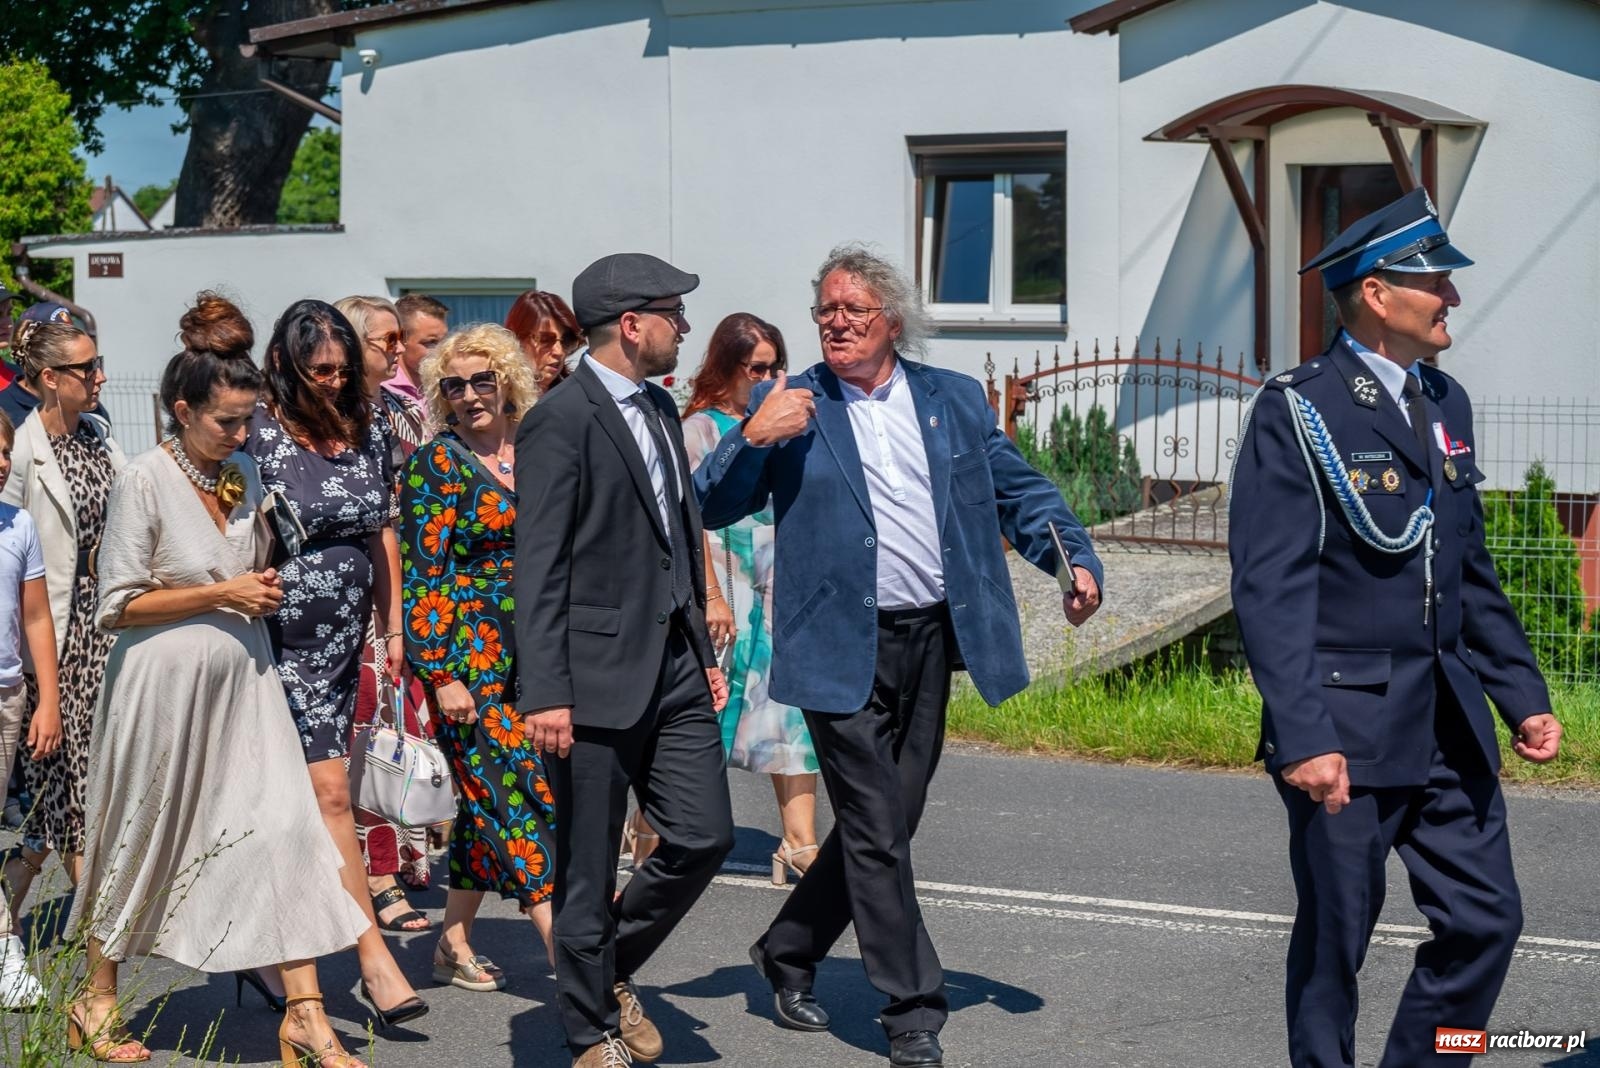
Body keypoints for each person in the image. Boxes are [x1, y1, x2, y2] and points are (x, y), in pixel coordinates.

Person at [696, 244, 1102, 1068]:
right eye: (825, 312)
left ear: (893, 321)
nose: (836, 323)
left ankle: (789, 948)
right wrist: (751, 433)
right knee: (878, 827)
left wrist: (1074, 557)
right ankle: (912, 1007)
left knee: (891, 820)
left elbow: (1017, 489)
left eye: (853, 311)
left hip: (929, 639)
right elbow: (710, 501)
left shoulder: (951, 399)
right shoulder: (793, 402)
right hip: (836, 643)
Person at [1229, 189, 1561, 1068]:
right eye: (1436, 283)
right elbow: (1270, 589)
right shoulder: (1300, 409)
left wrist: (1521, 694)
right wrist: (1301, 734)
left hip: (1448, 717)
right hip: (1345, 725)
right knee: (1337, 942)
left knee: (1488, 919)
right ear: (1377, 294)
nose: (1452, 299)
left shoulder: (1444, 400)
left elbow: (1467, 568)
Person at [67, 293, 371, 1067]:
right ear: (181, 409)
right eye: (228, 421)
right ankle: (95, 996)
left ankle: (306, 1011)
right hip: (161, 687)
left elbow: (250, 558)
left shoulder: (240, 471)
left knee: (284, 833)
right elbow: (118, 605)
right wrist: (221, 593)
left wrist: (261, 586)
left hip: (245, 681)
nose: (243, 435)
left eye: (247, 420)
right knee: (141, 835)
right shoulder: (144, 477)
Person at [515, 253, 733, 1068]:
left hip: (674, 664)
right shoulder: (559, 420)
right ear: (632, 324)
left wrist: (699, 615)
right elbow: (538, 566)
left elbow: (680, 524)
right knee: (587, 865)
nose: (686, 328)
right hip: (589, 678)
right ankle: (586, 1031)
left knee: (703, 836)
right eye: (674, 312)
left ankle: (600, 972)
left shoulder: (660, 409)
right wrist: (545, 692)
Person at [243, 299, 427, 1031]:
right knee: (325, 802)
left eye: (343, 368)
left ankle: (260, 952)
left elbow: (382, 524)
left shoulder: (369, 421)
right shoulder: (255, 430)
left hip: (343, 645)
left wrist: (393, 623)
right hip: (270, 646)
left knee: (305, 805)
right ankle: (372, 958)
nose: (333, 380)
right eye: (319, 369)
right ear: (286, 363)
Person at [401, 323, 555, 992]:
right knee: (526, 797)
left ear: (509, 379)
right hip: (472, 660)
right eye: (452, 385)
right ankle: (575, 966)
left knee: (489, 800)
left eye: (480, 380)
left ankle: (453, 940)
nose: (468, 395)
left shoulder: (540, 446)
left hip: (543, 653)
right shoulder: (438, 463)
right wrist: (441, 675)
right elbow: (423, 574)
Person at [681, 313, 820, 884]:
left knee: (790, 716)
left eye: (775, 366)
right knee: (699, 716)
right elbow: (690, 522)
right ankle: (653, 833)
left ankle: (799, 840)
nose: (766, 377)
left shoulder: (785, 424)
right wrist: (710, 595)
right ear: (726, 367)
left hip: (779, 590)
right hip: (724, 588)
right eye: (756, 367)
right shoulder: (699, 430)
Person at [0, 310, 126, 939]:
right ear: (49, 377)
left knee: (72, 793)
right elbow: (14, 563)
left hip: (108, 629)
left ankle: (6, 908)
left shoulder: (100, 434)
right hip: (56, 636)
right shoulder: (22, 450)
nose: (100, 376)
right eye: (86, 368)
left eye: (99, 363)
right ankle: (107, 939)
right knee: (74, 787)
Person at [336, 294, 433, 932]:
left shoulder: (399, 413)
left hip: (399, 587)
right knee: (360, 738)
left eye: (402, 340)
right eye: (386, 340)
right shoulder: (325, 417)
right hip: (345, 592)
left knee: (392, 736)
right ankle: (375, 873)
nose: (399, 351)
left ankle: (391, 864)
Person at [0, 408, 60, 1010]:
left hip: (8, 694)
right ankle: (5, 947)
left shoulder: (18, 524)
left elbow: (36, 616)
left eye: (2, 450)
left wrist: (50, 700)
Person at [505, 289, 584, 391]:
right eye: (545, 339)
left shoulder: (577, 396)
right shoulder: (494, 399)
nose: (559, 352)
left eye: (567, 340)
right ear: (517, 339)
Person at [391, 293, 450, 411]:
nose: (441, 351)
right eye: (431, 342)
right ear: (400, 340)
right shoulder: (381, 389)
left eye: (445, 341)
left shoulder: (446, 385)